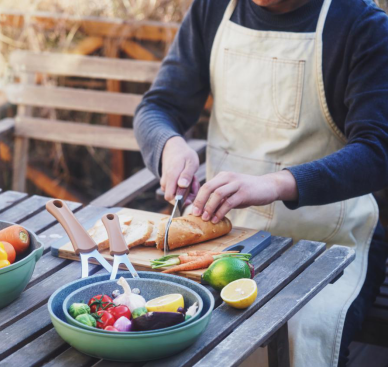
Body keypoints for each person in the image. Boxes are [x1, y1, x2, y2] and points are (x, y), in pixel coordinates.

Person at [133, 0, 388, 365]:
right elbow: (157, 107)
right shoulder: (212, 8)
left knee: (293, 333)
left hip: (328, 241)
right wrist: (168, 146)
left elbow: (378, 150)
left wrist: (275, 184)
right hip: (221, 236)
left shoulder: (361, 23)